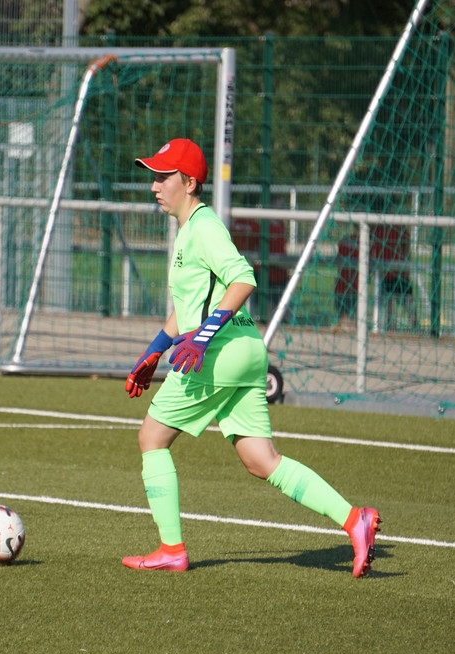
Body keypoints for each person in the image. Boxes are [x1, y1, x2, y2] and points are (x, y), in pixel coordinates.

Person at [122, 138, 380, 578]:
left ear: (189, 181)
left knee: (151, 439)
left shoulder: (203, 227)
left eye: (163, 177)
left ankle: (171, 549)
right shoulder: (190, 230)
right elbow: (187, 308)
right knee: (263, 461)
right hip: (245, 352)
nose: (154, 186)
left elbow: (243, 279)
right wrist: (152, 353)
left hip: (218, 354)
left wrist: (200, 340)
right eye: (153, 176)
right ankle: (356, 520)